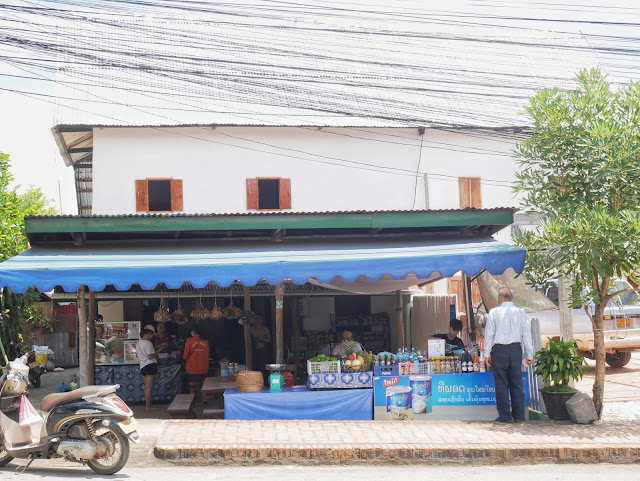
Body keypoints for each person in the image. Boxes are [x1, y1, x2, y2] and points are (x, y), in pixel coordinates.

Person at [484, 286, 534, 423]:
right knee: (517, 384)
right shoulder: (521, 312)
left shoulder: (493, 312)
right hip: (515, 350)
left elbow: (489, 335)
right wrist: (529, 355)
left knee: (501, 384)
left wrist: (487, 354)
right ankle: (518, 416)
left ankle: (505, 416)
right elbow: (526, 335)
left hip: (499, 350)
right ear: (512, 298)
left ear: (500, 298)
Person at [136, 324, 161, 411]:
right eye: (151, 334)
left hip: (142, 366)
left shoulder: (138, 343)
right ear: (148, 333)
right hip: (150, 365)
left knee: (146, 386)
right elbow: (150, 356)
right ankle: (148, 406)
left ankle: (148, 405)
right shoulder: (148, 343)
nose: (152, 336)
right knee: (149, 387)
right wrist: (158, 351)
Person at [183, 325, 210, 400]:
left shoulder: (189, 342)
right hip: (204, 368)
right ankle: (204, 399)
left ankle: (192, 401)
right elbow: (208, 354)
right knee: (203, 385)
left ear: (193, 332)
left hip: (192, 369)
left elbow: (185, 356)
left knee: (192, 387)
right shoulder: (205, 342)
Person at [251, 315, 272, 384]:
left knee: (263, 366)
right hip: (253, 350)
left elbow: (269, 340)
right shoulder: (251, 329)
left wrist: (261, 339)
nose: (258, 320)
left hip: (263, 349)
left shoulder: (265, 329)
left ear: (262, 320)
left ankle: (264, 381)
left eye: (259, 318)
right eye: (256, 318)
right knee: (254, 365)